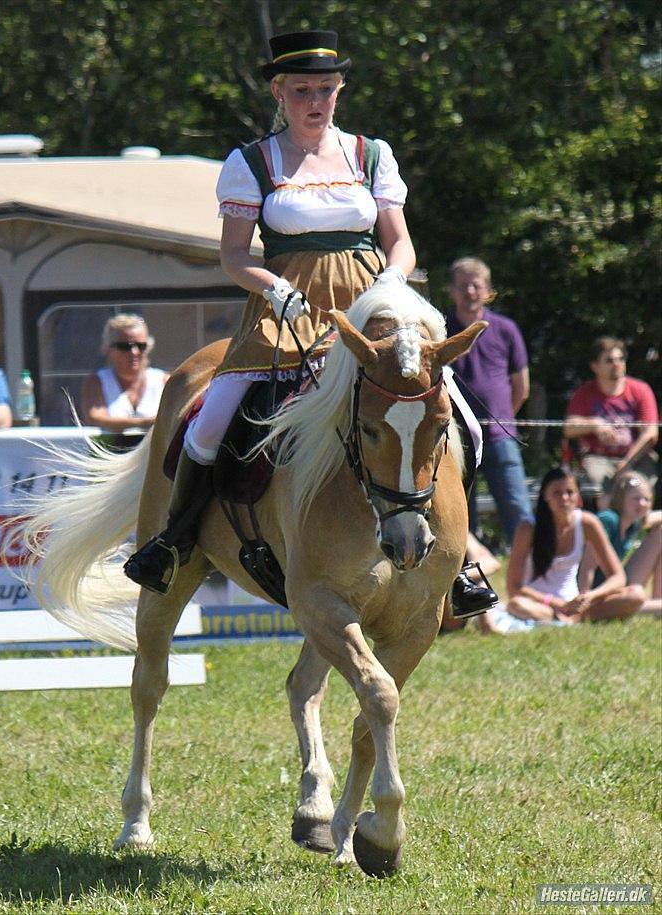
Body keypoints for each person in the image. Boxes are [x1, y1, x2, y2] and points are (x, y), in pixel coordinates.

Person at [124, 29, 495, 617]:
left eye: (325, 88)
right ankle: (173, 542)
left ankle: (457, 559)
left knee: (465, 424)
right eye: (302, 90)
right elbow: (234, 256)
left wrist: (393, 281)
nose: (315, 100)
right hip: (284, 311)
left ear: (340, 89)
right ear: (279, 92)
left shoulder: (372, 154)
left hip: (372, 307)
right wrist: (275, 288)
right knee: (208, 425)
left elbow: (400, 243)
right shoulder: (250, 163)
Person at [483, 466, 638, 634]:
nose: (564, 498)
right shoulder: (528, 528)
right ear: (545, 496)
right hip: (538, 603)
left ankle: (568, 620)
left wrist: (591, 596)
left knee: (635, 595)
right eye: (557, 493)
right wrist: (556, 604)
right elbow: (514, 588)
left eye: (570, 492)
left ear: (578, 496)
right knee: (517, 604)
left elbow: (618, 577)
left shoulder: (588, 522)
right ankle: (561, 620)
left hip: (576, 605)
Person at [445, 257, 533, 546]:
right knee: (458, 514)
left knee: (518, 509)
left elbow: (521, 386)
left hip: (500, 435)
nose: (470, 291)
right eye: (463, 286)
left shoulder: (506, 329)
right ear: (452, 291)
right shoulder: (441, 328)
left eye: (476, 285)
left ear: (488, 290)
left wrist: (502, 417)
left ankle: (528, 571)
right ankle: (468, 573)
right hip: (456, 437)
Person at [564, 336, 659, 506]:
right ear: (595, 366)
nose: (617, 364)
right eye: (609, 360)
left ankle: (637, 529)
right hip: (599, 459)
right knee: (602, 486)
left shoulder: (641, 390)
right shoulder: (584, 393)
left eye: (620, 359)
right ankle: (608, 527)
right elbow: (568, 428)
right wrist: (595, 423)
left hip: (636, 458)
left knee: (637, 489)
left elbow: (651, 433)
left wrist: (627, 462)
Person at [581, 471, 661, 617]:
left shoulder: (633, 523)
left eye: (647, 499)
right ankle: (655, 609)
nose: (642, 504)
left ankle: (657, 602)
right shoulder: (608, 520)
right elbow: (587, 567)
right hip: (593, 594)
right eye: (636, 498)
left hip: (612, 588)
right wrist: (583, 599)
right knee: (637, 596)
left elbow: (656, 517)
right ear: (621, 498)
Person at [81, 314, 167, 434]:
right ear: (108, 348)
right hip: (112, 450)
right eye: (125, 346)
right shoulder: (97, 381)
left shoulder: (164, 381)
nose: (134, 352)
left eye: (141, 346)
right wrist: (146, 423)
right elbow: (95, 418)